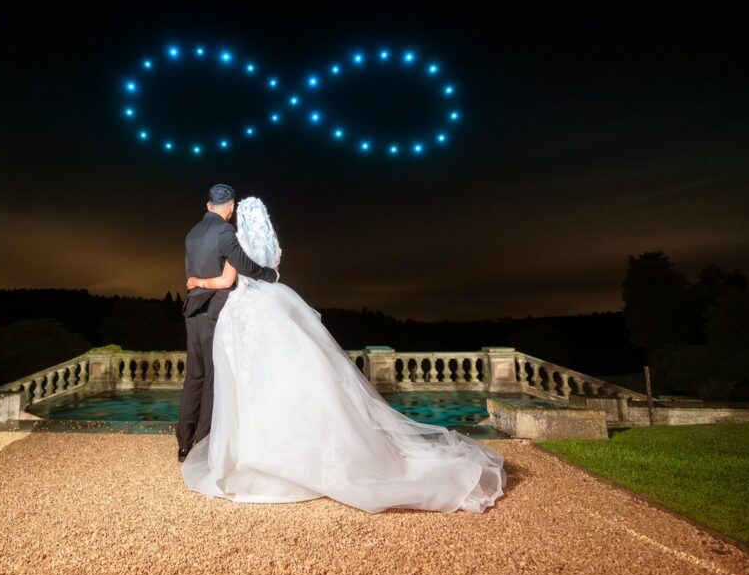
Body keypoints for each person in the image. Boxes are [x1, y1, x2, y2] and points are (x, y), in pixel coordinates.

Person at [180, 196, 505, 513]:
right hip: (274, 306)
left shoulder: (232, 241)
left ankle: (251, 454)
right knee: (290, 375)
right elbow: (271, 270)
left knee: (247, 382)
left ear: (238, 217)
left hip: (244, 312)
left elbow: (228, 278)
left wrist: (198, 281)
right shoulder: (273, 248)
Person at [178, 184, 279, 463]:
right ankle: (204, 444)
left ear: (208, 205)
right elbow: (243, 266)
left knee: (194, 376)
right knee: (213, 377)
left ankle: (184, 443)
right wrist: (269, 274)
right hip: (214, 309)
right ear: (231, 208)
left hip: (192, 308)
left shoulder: (192, 233)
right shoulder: (225, 232)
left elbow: (194, 271)